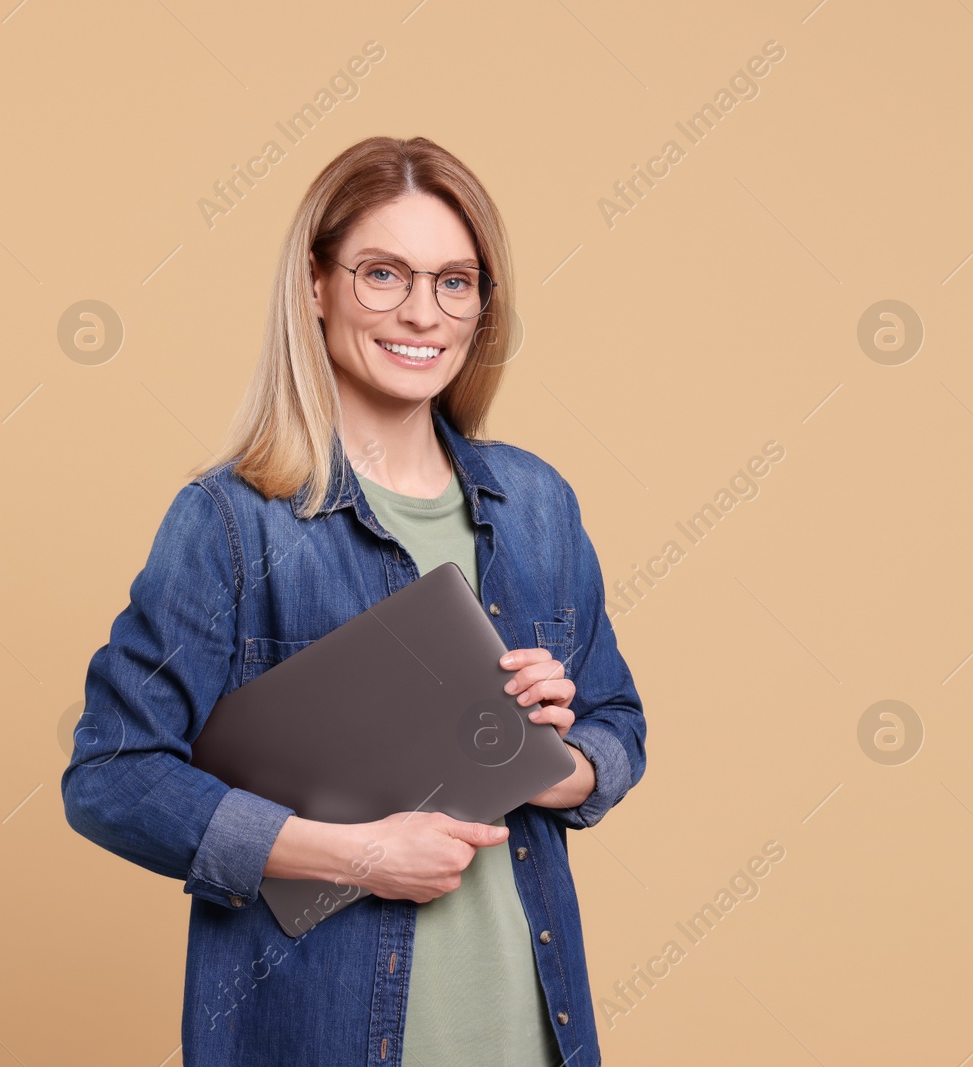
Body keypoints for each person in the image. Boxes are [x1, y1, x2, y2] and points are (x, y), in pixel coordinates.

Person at [60, 135, 647, 1067]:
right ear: (316, 285)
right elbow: (113, 775)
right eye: (384, 273)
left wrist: (554, 755)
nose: (424, 312)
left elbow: (617, 725)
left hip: (531, 1036)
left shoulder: (535, 504)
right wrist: (353, 855)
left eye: (456, 281)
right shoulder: (230, 522)